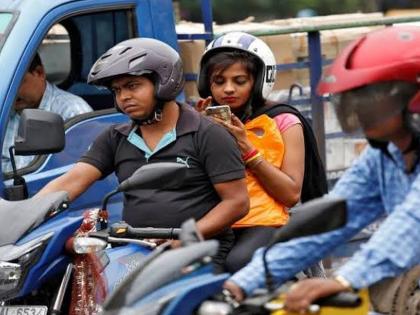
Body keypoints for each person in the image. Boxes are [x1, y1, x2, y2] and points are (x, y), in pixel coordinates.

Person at [224, 25, 420, 311]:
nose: (359, 109)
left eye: (371, 96)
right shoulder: (384, 154)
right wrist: (241, 284)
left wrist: (344, 279)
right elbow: (335, 217)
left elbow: (412, 222)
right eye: (353, 98)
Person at [38, 37, 249, 272]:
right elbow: (71, 181)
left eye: (132, 86)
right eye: (117, 90)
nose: (123, 96)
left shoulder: (207, 133)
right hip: (135, 249)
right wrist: (26, 215)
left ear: (163, 83)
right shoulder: (115, 137)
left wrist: (184, 239)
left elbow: (237, 202)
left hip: (197, 251)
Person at [196, 31, 327, 273]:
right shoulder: (203, 122)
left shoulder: (283, 121)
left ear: (257, 82)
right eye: (219, 81)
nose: (228, 89)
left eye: (239, 81)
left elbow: (290, 194)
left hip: (268, 222)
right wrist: (200, 133)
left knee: (237, 264)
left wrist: (248, 151)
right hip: (215, 220)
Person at [2, 52, 93, 173]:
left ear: (39, 73)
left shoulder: (71, 112)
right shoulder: (5, 112)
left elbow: (85, 169)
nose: (10, 92)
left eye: (17, 83)